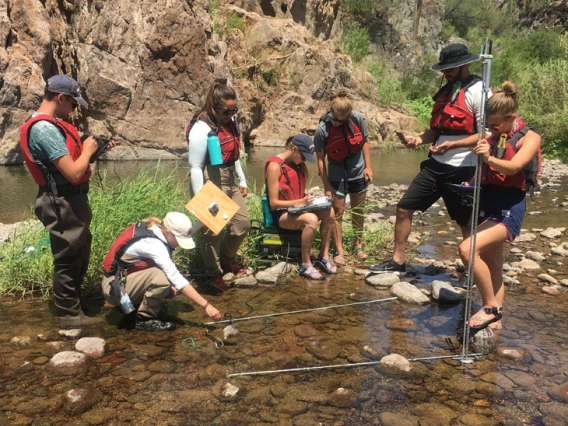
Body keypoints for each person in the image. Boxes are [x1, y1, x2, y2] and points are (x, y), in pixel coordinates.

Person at [370, 43, 485, 274]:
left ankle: (472, 271)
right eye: (444, 69)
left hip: (464, 169)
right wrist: (417, 139)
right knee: (404, 207)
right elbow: (437, 130)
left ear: (464, 65)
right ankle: (398, 262)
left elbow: (486, 134)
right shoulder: (446, 92)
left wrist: (452, 145)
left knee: (466, 222)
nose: (446, 73)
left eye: (450, 68)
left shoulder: (480, 92)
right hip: (436, 166)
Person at [19, 74, 113, 329]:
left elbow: (69, 163)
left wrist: (92, 149)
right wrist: (89, 151)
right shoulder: (44, 129)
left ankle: (75, 305)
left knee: (79, 251)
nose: (74, 110)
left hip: (70, 199)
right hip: (60, 201)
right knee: (68, 257)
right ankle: (69, 317)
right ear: (61, 98)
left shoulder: (50, 124)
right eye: (73, 104)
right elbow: (72, 172)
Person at [458, 81, 540, 332]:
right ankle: (496, 326)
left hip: (510, 206)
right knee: (493, 267)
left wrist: (489, 157)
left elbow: (514, 167)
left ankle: (490, 308)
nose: (491, 130)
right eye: (488, 125)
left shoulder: (531, 137)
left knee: (467, 250)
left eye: (495, 125)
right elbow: (485, 168)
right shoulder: (494, 137)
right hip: (489, 201)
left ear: (511, 118)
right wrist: (470, 181)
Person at [101, 213, 222, 331]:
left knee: (166, 279)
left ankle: (137, 307)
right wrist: (206, 306)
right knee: (164, 279)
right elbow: (176, 278)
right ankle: (143, 319)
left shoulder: (157, 230)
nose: (180, 244)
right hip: (114, 289)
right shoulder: (154, 244)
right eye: (179, 240)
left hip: (120, 282)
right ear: (168, 232)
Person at [187, 79, 251, 291]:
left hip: (228, 175)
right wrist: (201, 200)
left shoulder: (230, 122)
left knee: (242, 224)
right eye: (226, 111)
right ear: (214, 108)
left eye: (234, 110)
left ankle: (226, 261)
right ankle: (213, 273)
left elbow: (234, 155)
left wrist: (241, 179)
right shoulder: (201, 128)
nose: (230, 115)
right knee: (212, 229)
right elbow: (195, 167)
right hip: (207, 178)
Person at [265, 135, 337, 280]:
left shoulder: (297, 165)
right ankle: (306, 264)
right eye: (303, 157)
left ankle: (323, 257)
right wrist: (301, 202)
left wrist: (308, 198)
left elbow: (294, 190)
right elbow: (273, 203)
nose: (304, 161)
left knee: (330, 211)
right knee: (311, 219)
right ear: (294, 149)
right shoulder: (274, 166)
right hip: (280, 214)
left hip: (297, 208)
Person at [315, 91, 373, 265]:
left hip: (357, 170)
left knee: (358, 209)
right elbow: (320, 160)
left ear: (348, 116)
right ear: (330, 109)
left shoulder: (357, 119)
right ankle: (339, 251)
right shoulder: (322, 129)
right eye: (334, 118)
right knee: (338, 211)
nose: (336, 122)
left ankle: (358, 245)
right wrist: (326, 185)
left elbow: (364, 143)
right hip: (336, 172)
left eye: (341, 120)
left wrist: (368, 166)